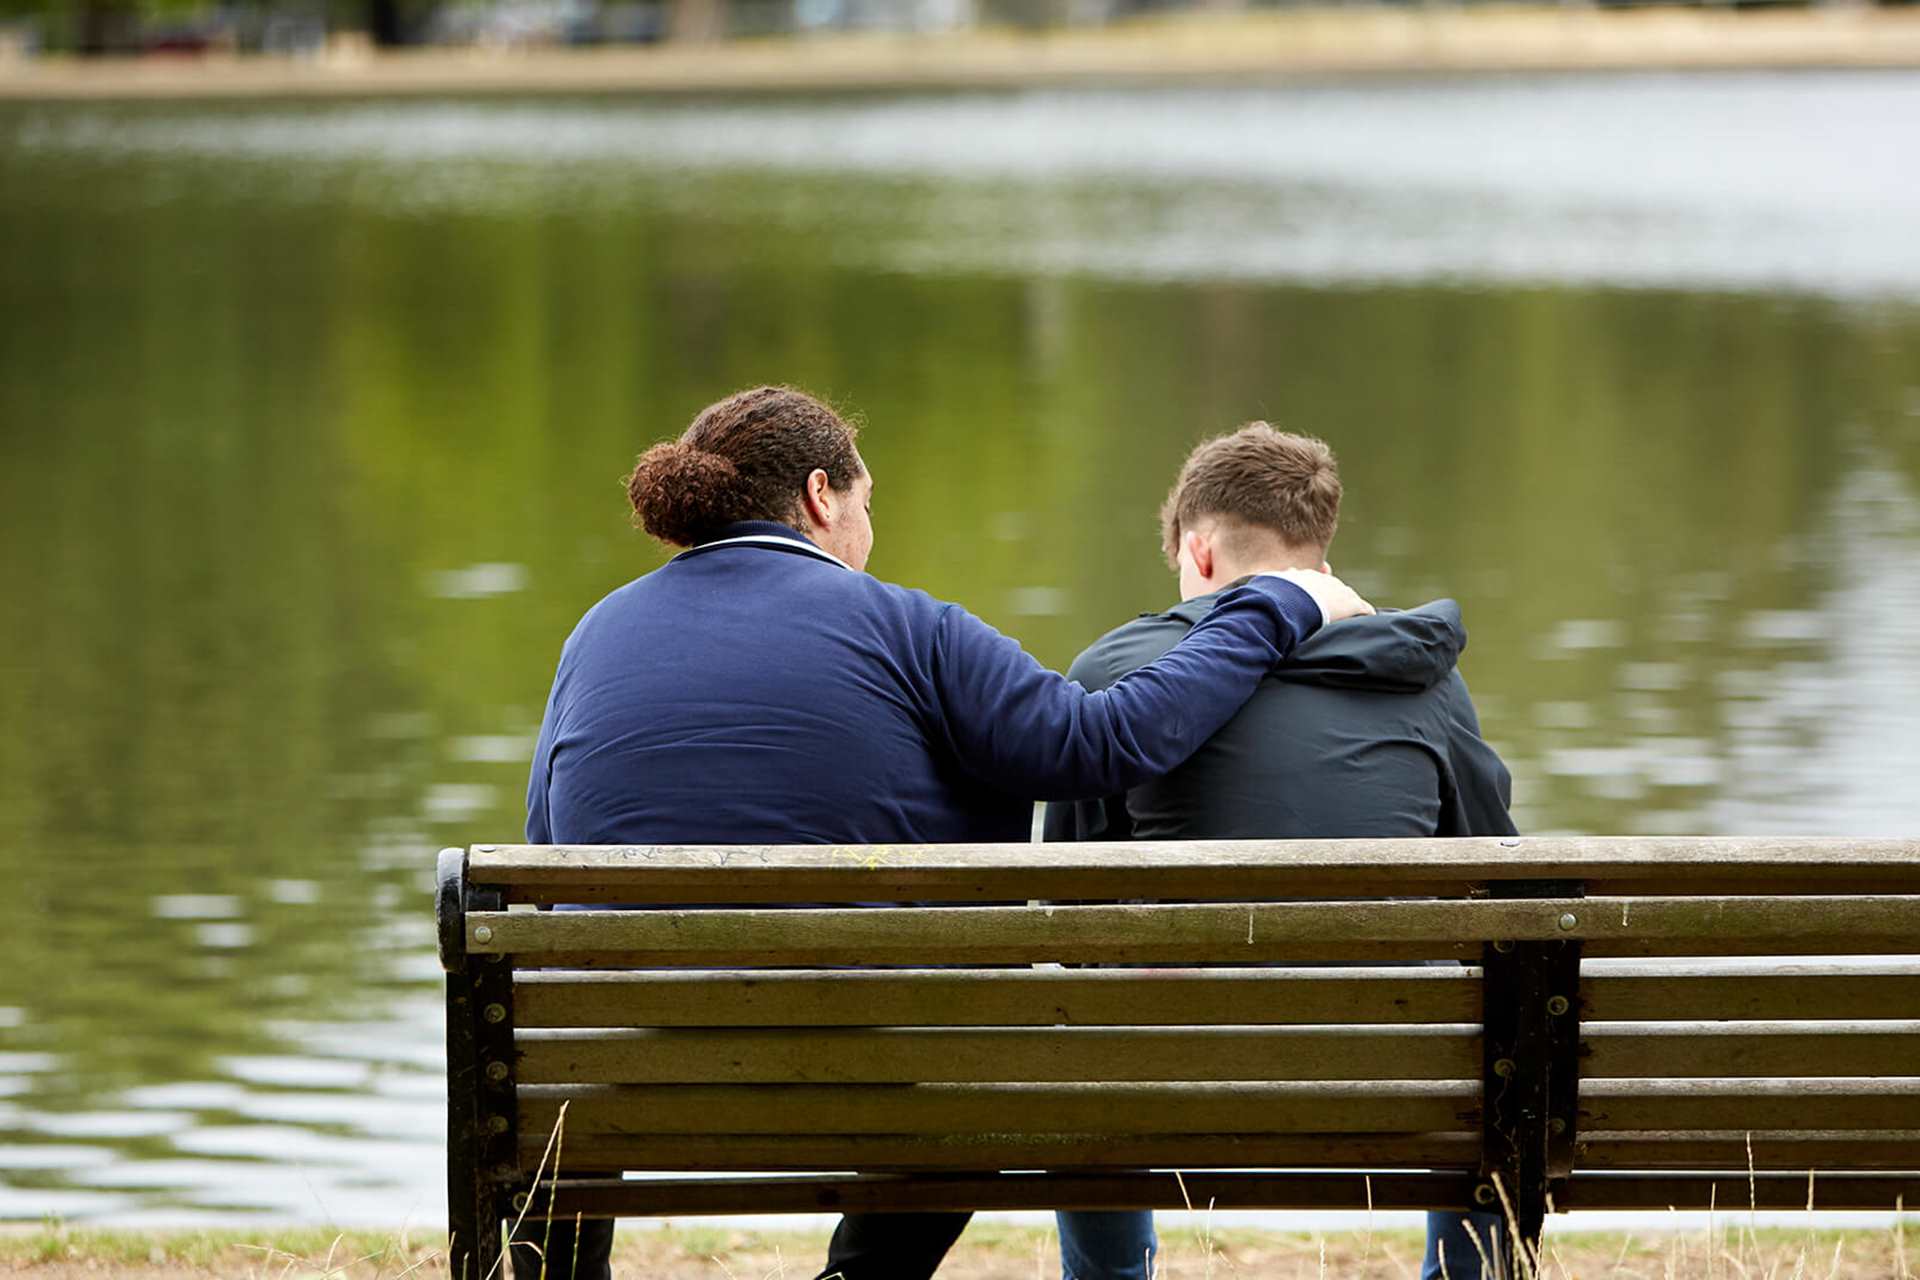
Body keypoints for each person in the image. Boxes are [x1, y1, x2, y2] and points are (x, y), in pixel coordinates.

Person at [517, 387, 1375, 1280]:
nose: (868, 532)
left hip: (626, 1060)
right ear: (821, 496)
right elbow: (1102, 741)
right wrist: (1274, 603)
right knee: (973, 1092)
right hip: (882, 1062)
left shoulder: (596, 635)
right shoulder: (904, 627)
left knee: (572, 1073)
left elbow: (546, 850)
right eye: (867, 505)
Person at [1043, 422, 1517, 1280]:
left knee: (1090, 1039)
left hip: (1169, 1083)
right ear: (1321, 560)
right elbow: (1501, 882)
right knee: (1498, 1033)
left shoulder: (1117, 671)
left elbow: (1073, 918)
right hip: (1395, 1077)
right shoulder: (1425, 682)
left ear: (1199, 551)